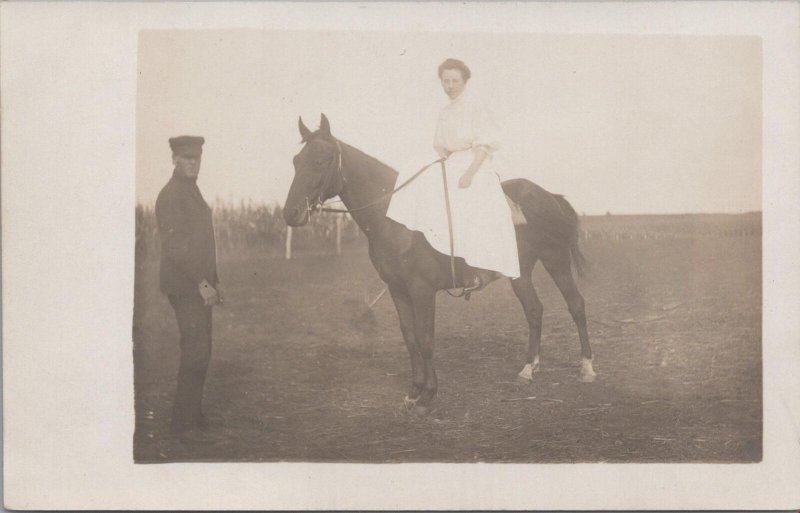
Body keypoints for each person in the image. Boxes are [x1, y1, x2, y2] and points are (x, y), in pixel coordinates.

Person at [386, 58, 520, 289]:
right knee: (417, 176)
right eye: (445, 81)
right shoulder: (445, 112)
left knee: (469, 195)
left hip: (477, 162)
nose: (450, 86)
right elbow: (441, 144)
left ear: (465, 81)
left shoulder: (476, 106)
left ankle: (482, 268)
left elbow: (484, 145)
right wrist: (440, 159)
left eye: (455, 80)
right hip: (452, 161)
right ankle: (429, 253)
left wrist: (469, 173)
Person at [155, 135, 222, 437]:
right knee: (196, 351)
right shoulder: (170, 195)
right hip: (185, 286)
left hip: (198, 285)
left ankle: (192, 415)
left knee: (202, 351)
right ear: (174, 160)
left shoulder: (190, 190)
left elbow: (203, 243)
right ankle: (182, 424)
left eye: (196, 158)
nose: (193, 163)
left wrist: (213, 282)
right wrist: (202, 282)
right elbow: (176, 248)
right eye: (186, 158)